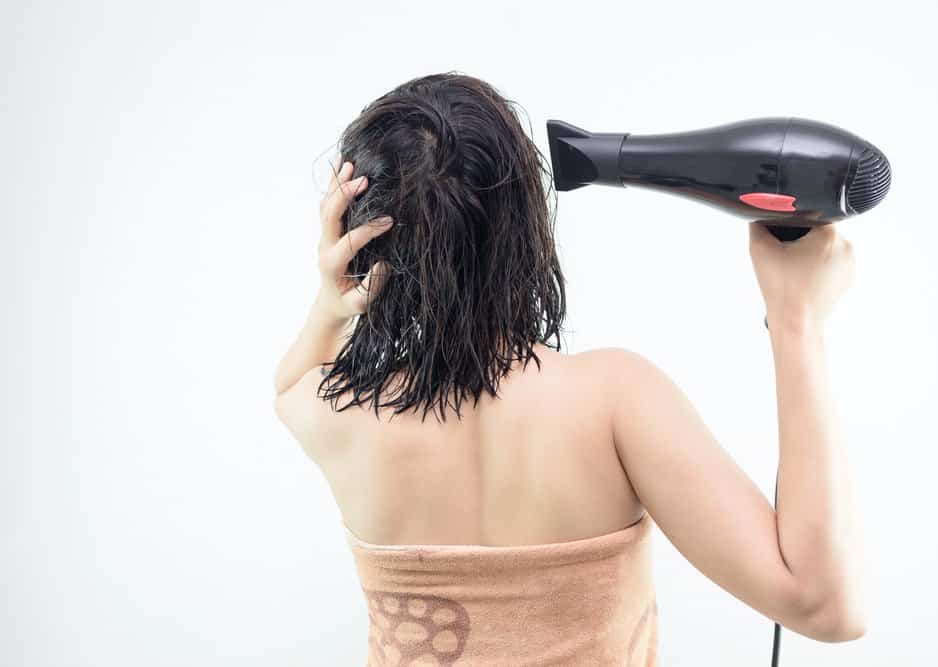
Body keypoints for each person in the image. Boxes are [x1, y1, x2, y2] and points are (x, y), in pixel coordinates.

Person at [273, 71, 865, 665]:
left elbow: (293, 384)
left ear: (359, 234)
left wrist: (332, 300)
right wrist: (797, 320)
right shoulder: (614, 403)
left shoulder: (333, 414)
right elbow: (824, 607)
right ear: (526, 225)